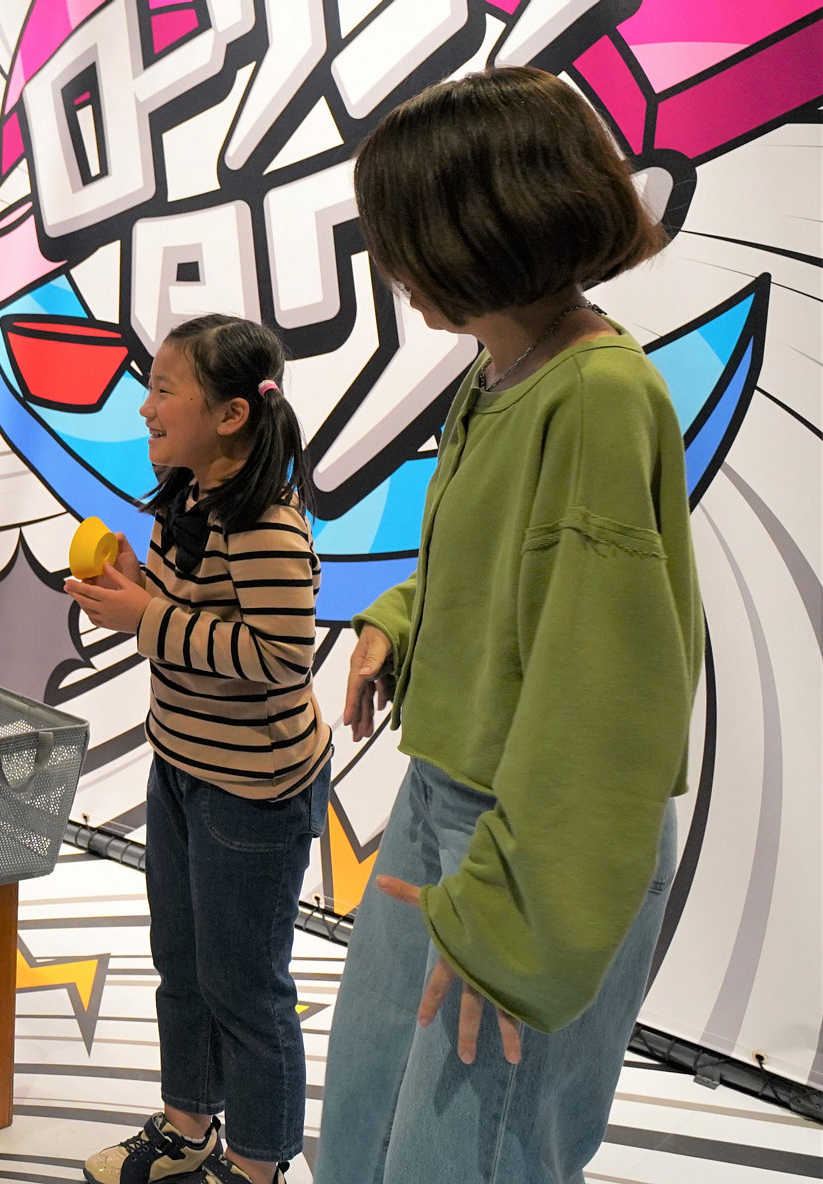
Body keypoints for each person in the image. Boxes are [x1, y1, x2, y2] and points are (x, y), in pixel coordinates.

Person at [315, 67, 698, 1184]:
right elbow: (500, 572)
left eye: (404, 238)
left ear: (476, 229)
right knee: (365, 1128)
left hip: (538, 832)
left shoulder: (597, 393)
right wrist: (398, 620)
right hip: (447, 796)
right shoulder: (498, 374)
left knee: (466, 1155)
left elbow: (607, 693)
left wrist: (521, 923)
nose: (394, 270)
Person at [69, 314, 331, 1184]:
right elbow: (188, 609)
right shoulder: (181, 496)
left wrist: (148, 617)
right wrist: (135, 588)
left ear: (229, 415)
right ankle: (188, 1127)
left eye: (162, 390)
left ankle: (256, 1166)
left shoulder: (266, 527)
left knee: (246, 989)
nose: (145, 407)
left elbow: (280, 657)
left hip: (252, 792)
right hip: (181, 766)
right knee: (181, 964)